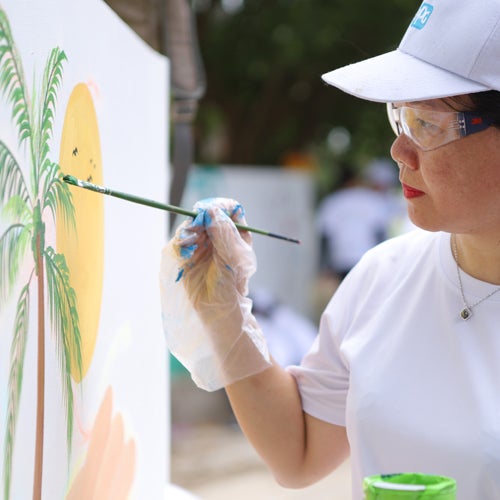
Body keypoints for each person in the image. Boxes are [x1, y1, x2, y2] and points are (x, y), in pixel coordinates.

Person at [160, 1, 500, 498]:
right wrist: (226, 312)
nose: (398, 151)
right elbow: (299, 452)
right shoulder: (383, 277)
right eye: (400, 118)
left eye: (427, 124)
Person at [316, 160, 398, 281]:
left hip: (341, 258)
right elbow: (380, 231)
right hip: (367, 256)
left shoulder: (332, 202)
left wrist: (324, 265)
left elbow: (325, 236)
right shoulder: (371, 199)